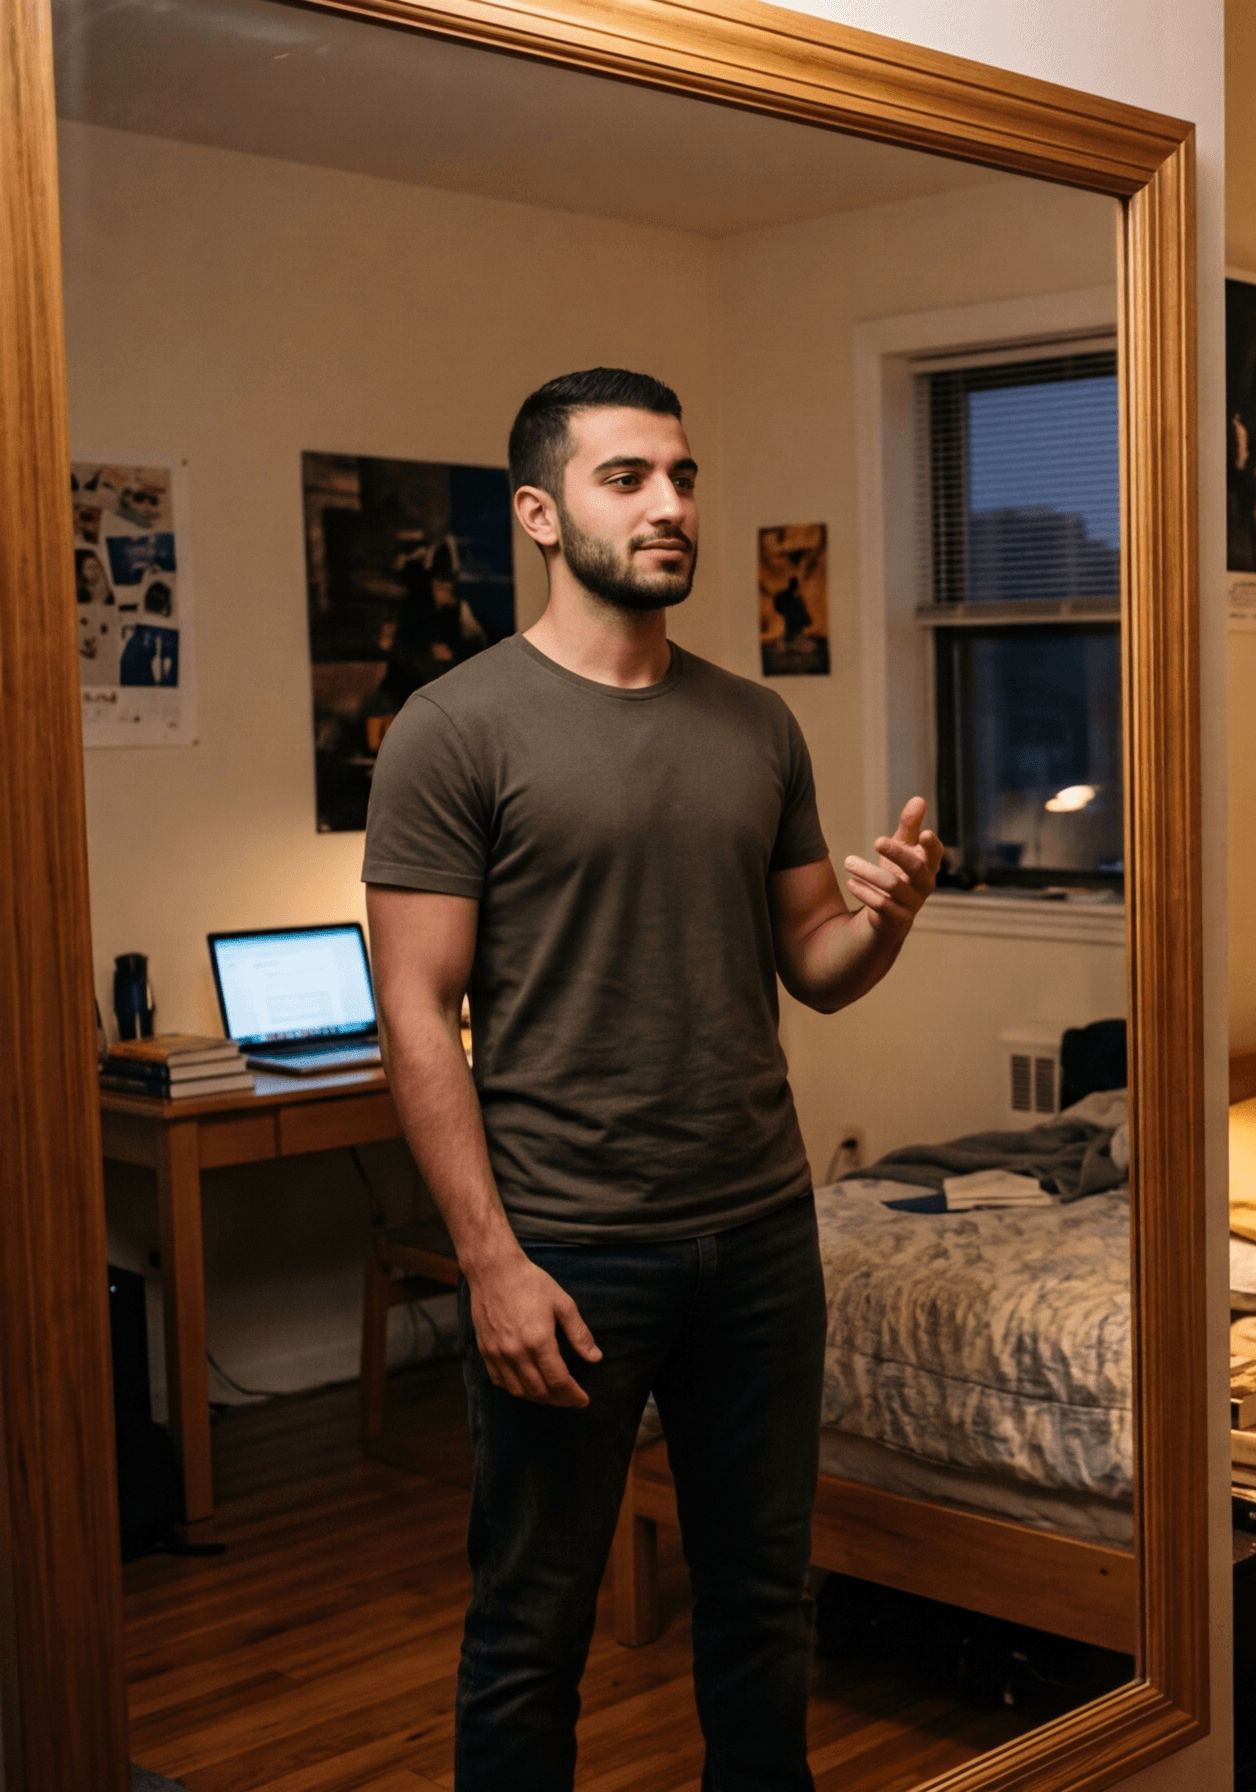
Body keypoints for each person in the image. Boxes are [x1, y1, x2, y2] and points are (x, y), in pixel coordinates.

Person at [363, 366, 944, 1790]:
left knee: (760, 1607)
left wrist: (889, 916)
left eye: (681, 476)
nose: (672, 505)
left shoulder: (756, 726)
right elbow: (415, 1011)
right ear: (542, 514)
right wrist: (488, 1262)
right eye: (629, 478)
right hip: (569, 1249)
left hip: (758, 1235)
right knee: (530, 1629)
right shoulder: (455, 727)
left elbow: (813, 957)